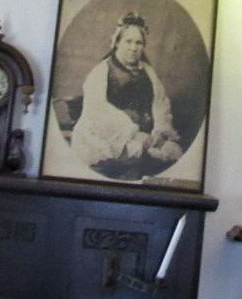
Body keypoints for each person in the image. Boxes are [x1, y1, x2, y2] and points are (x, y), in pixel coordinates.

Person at [72, 12, 183, 180]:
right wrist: (133, 134)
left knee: (170, 157)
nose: (134, 48)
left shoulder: (148, 71)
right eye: (128, 41)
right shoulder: (102, 71)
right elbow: (97, 110)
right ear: (117, 42)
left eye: (139, 43)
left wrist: (160, 131)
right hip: (108, 135)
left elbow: (160, 103)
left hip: (147, 137)